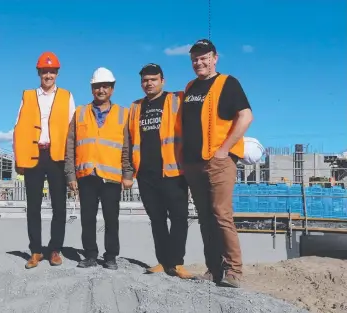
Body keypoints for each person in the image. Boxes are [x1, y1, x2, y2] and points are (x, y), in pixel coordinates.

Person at [180, 39, 254, 288]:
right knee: (205, 218)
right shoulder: (190, 86)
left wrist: (224, 150)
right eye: (195, 58)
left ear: (215, 58)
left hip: (217, 162)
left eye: (204, 57)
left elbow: (246, 116)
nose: (198, 62)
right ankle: (213, 269)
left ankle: (233, 271)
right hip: (193, 163)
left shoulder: (227, 83)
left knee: (221, 215)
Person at [128, 63, 194, 279]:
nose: (149, 83)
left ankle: (177, 262)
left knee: (178, 218)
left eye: (153, 79)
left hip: (173, 170)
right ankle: (163, 261)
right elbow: (130, 140)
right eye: (145, 80)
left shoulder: (176, 99)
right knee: (156, 219)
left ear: (162, 81)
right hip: (146, 173)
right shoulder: (135, 107)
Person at [64, 67, 133, 270]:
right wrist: (70, 175)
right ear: (91, 88)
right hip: (86, 175)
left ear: (112, 89)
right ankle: (90, 255)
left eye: (105, 86)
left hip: (111, 176)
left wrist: (128, 174)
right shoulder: (80, 113)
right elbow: (70, 145)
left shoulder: (123, 114)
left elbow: (127, 146)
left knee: (112, 218)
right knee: (88, 218)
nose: (101, 90)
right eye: (97, 86)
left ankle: (110, 256)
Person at [12, 51, 76, 269]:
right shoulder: (28, 96)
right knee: (33, 207)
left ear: (57, 73)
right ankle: (36, 251)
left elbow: (72, 130)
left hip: (57, 156)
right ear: (39, 72)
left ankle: (55, 250)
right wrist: (18, 159)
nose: (48, 75)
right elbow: (18, 128)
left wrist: (71, 163)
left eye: (52, 71)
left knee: (59, 206)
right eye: (44, 71)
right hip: (33, 156)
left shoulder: (67, 96)